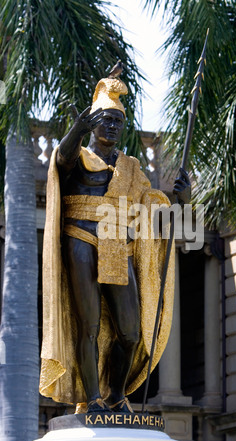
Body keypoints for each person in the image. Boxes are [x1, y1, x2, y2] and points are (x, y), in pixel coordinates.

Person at [39, 72, 190, 414]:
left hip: (116, 246)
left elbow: (157, 219)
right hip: (80, 240)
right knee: (88, 326)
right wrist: (76, 129)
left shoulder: (131, 168)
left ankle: (115, 394)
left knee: (131, 333)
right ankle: (93, 399)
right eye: (106, 120)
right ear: (93, 124)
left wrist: (182, 199)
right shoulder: (77, 156)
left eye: (118, 122)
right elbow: (60, 161)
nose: (112, 127)